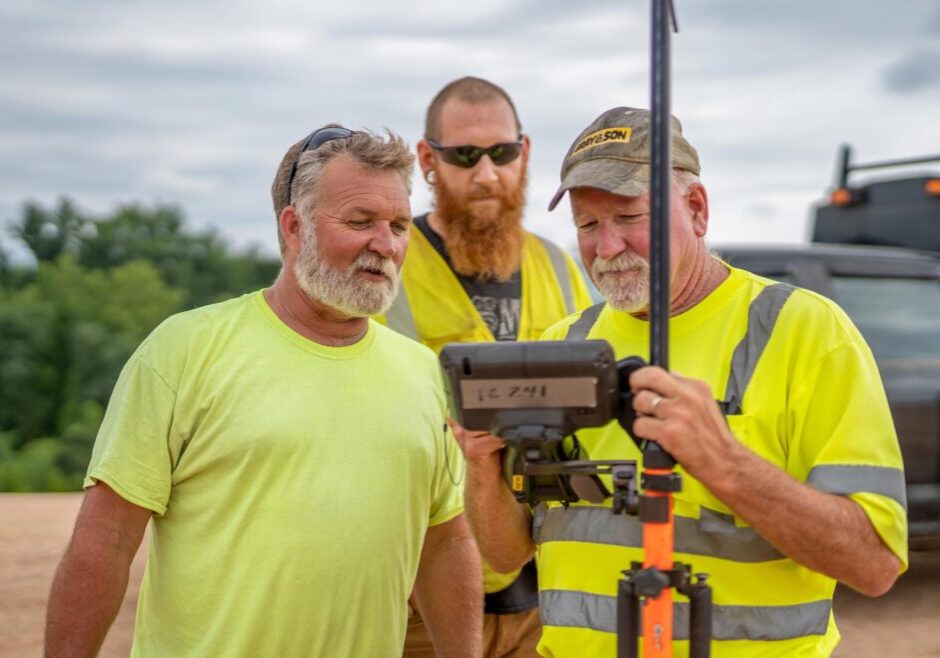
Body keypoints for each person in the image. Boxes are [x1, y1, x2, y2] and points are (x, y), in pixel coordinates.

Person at [457, 107, 908, 657]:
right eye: (588, 225)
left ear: (696, 209)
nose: (607, 247)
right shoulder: (564, 343)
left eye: (629, 217)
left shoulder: (805, 330)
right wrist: (481, 466)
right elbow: (507, 554)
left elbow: (874, 562)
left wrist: (723, 460)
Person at [44, 126, 482, 658]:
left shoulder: (423, 373)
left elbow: (444, 544)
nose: (386, 244)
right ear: (295, 227)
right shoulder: (186, 350)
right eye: (360, 222)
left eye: (398, 225)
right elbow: (106, 540)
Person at [378, 77, 592, 657]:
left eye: (502, 153)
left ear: (524, 152)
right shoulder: (387, 269)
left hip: (546, 594)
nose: (486, 174)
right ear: (427, 159)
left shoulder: (560, 266)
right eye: (464, 156)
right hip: (421, 601)